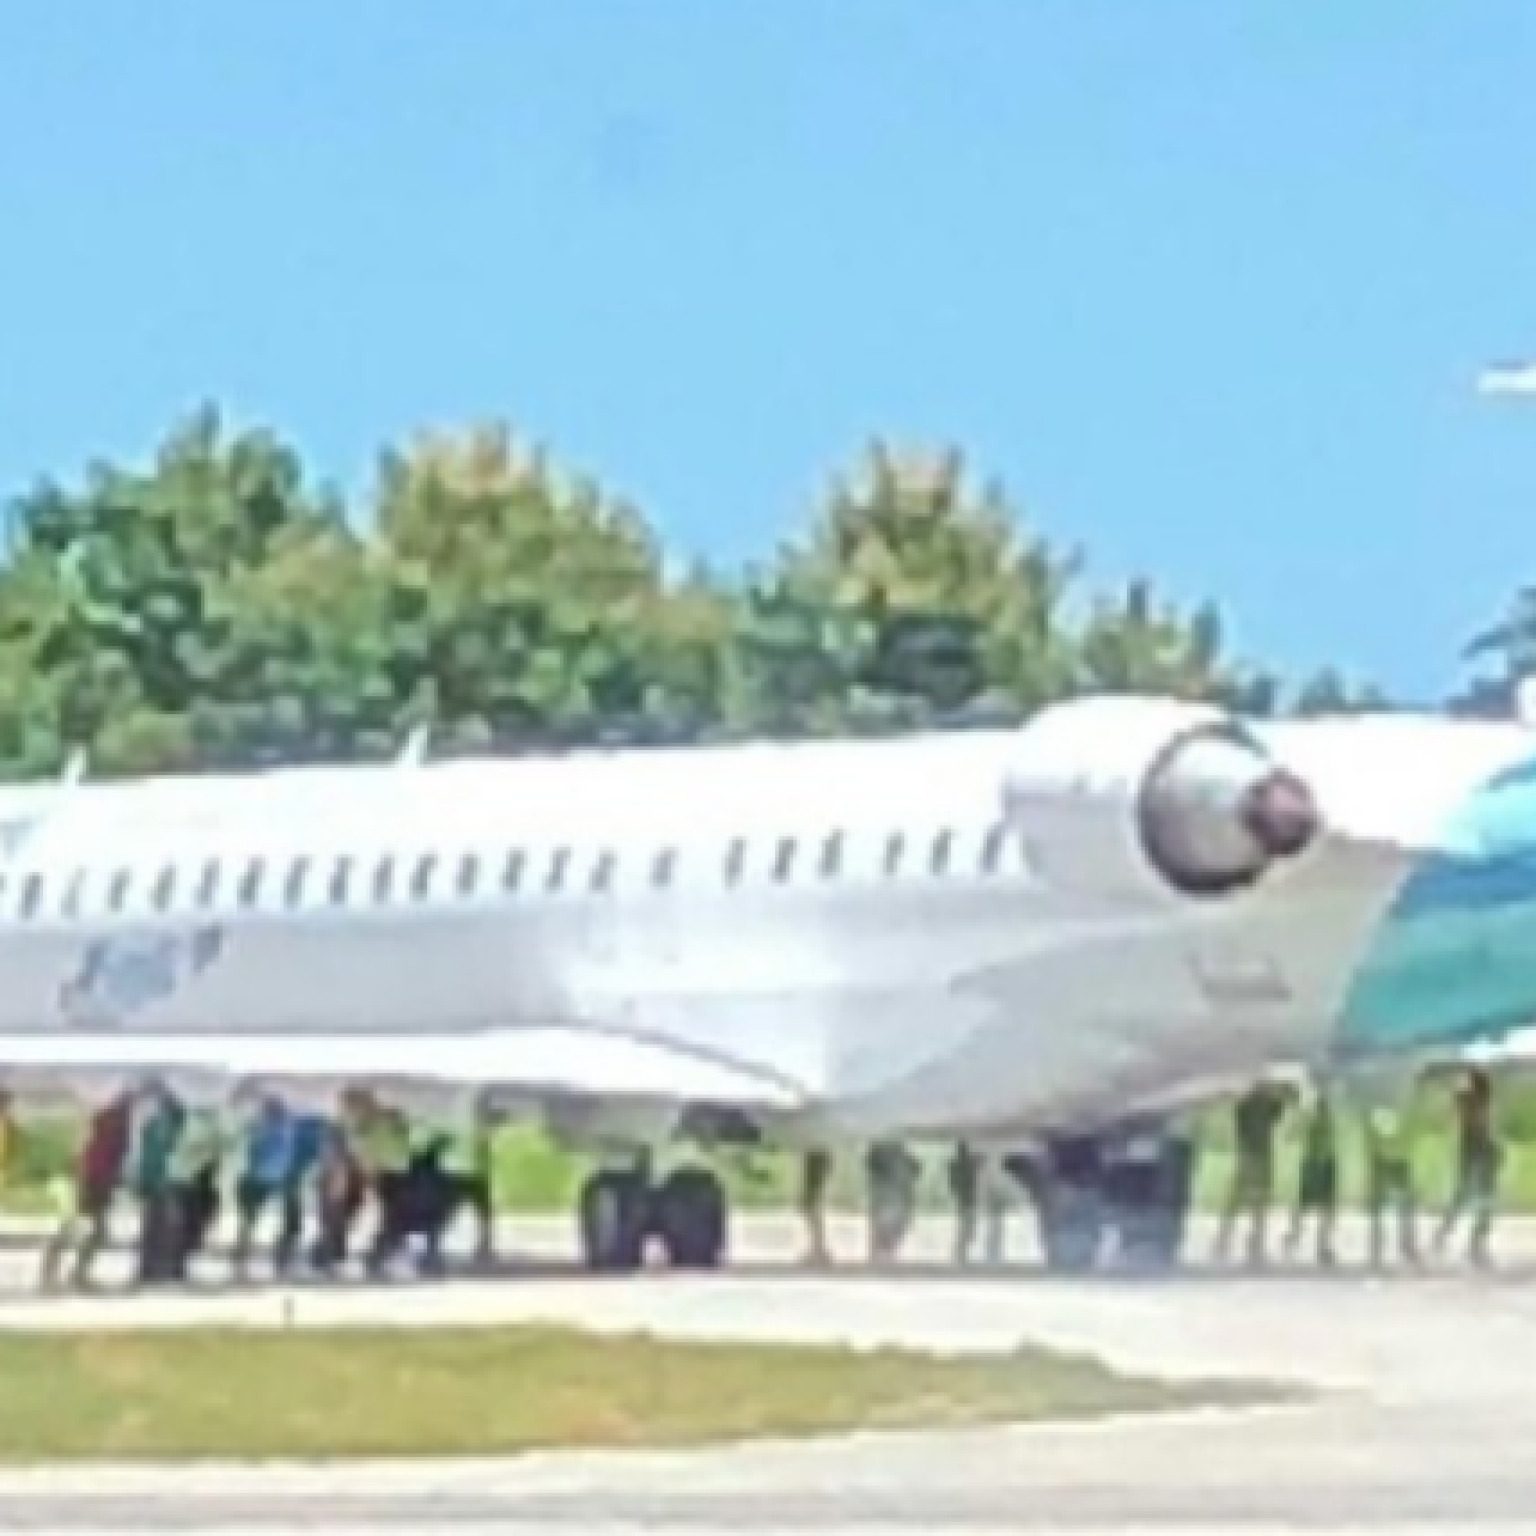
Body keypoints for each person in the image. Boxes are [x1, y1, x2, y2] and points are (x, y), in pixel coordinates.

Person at [40, 1088, 133, 1291]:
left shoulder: (119, 1121)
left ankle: (73, 1273)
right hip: (91, 1178)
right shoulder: (104, 1119)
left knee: (95, 1230)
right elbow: (85, 1149)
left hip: (102, 1179)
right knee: (77, 1227)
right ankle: (54, 1273)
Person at [1433, 1067, 1502, 1268]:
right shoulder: (1469, 1097)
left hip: (1480, 1148)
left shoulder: (1475, 1096)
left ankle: (1470, 1242)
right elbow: (1477, 1123)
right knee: (1473, 1196)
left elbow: (1486, 1125)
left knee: (1479, 1198)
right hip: (1476, 1148)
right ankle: (1460, 1240)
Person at [1214, 1080, 1289, 1267]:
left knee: (1252, 1200)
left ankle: (1241, 1242)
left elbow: (1279, 1110)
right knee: (1247, 1199)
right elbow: (1277, 1111)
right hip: (1253, 1154)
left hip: (1257, 1154)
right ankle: (1236, 1242)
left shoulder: (1256, 1104)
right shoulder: (1254, 1105)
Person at [231, 1092, 298, 1281]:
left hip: (272, 1179)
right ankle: (240, 1262)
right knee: (249, 1222)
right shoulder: (264, 1129)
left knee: (279, 1221)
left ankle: (275, 1260)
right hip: (256, 1180)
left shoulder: (282, 1128)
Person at [132, 1081, 186, 1285]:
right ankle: (155, 1268)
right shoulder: (160, 1126)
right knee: (163, 1224)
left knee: (156, 1224)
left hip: (156, 1179)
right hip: (159, 1181)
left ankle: (152, 1268)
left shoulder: (156, 1126)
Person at [1285, 1081, 1339, 1267]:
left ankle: (1321, 1244)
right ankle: (1295, 1238)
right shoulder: (1313, 1117)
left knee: (1326, 1208)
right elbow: (1294, 1133)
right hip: (1315, 1163)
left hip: (1324, 1163)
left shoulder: (1328, 1116)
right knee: (1308, 1206)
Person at [1365, 1094, 1420, 1270]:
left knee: (1402, 1205)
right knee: (1384, 1205)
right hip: (1386, 1160)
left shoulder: (1399, 1106)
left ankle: (1403, 1245)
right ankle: (1382, 1246)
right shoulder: (1380, 1109)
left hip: (1396, 1159)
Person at [946, 1142, 980, 1265]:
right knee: (968, 1229)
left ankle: (960, 1255)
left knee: (965, 1229)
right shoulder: (966, 1165)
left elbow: (953, 1184)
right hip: (968, 1200)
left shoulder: (954, 1165)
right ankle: (960, 1255)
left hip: (963, 1199)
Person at [798, 1147, 832, 1266]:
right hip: (817, 1156)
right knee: (812, 1209)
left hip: (817, 1156)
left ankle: (818, 1250)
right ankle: (818, 1249)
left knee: (811, 1209)